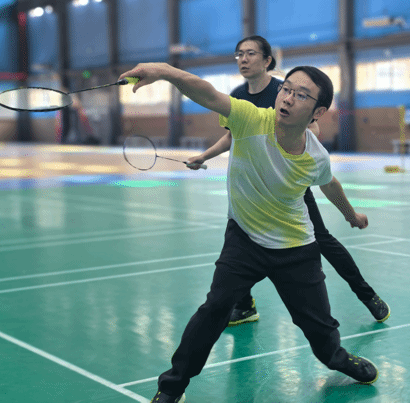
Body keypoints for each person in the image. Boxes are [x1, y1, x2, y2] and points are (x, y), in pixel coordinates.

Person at [120, 62, 379, 403]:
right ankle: (171, 387)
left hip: (295, 248)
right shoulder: (250, 119)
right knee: (214, 310)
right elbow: (206, 93)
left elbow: (329, 184)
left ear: (318, 112)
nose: (288, 98)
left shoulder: (316, 156)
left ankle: (337, 358)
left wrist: (351, 215)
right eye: (286, 89)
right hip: (243, 240)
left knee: (320, 329)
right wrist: (165, 71)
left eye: (301, 95)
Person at [187, 35, 389, 328]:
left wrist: (291, 145)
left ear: (267, 60)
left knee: (323, 240)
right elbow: (232, 135)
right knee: (240, 245)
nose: (243, 59)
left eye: (251, 53)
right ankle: (244, 305)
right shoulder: (238, 95)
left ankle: (367, 295)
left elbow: (312, 130)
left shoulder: (285, 91)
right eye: (239, 54)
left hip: (289, 188)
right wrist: (204, 156)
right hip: (254, 189)